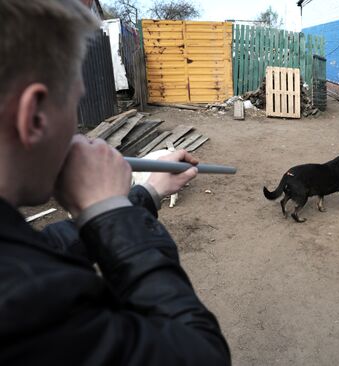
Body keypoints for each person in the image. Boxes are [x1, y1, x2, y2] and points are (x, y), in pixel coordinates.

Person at [0, 0, 230, 364]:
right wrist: (108, 210)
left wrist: (147, 194)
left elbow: (41, 248)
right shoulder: (26, 302)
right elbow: (199, 353)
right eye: (75, 104)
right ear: (35, 118)